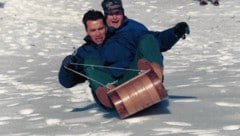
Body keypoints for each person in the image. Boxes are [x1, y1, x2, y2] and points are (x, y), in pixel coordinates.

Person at [58, 10, 190, 109]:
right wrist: (67, 68)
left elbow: (159, 40)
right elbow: (67, 82)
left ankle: (153, 74)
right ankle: (109, 95)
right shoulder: (83, 52)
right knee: (90, 62)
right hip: (111, 90)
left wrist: (175, 32)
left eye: (100, 28)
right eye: (93, 30)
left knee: (147, 39)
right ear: (86, 31)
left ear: (106, 26)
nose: (98, 34)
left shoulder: (124, 37)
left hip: (134, 77)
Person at [101, 0, 185, 52]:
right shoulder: (100, 31)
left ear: (123, 13)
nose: (115, 17)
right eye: (111, 14)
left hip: (134, 74)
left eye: (117, 13)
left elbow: (156, 40)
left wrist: (175, 33)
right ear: (105, 16)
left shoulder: (134, 29)